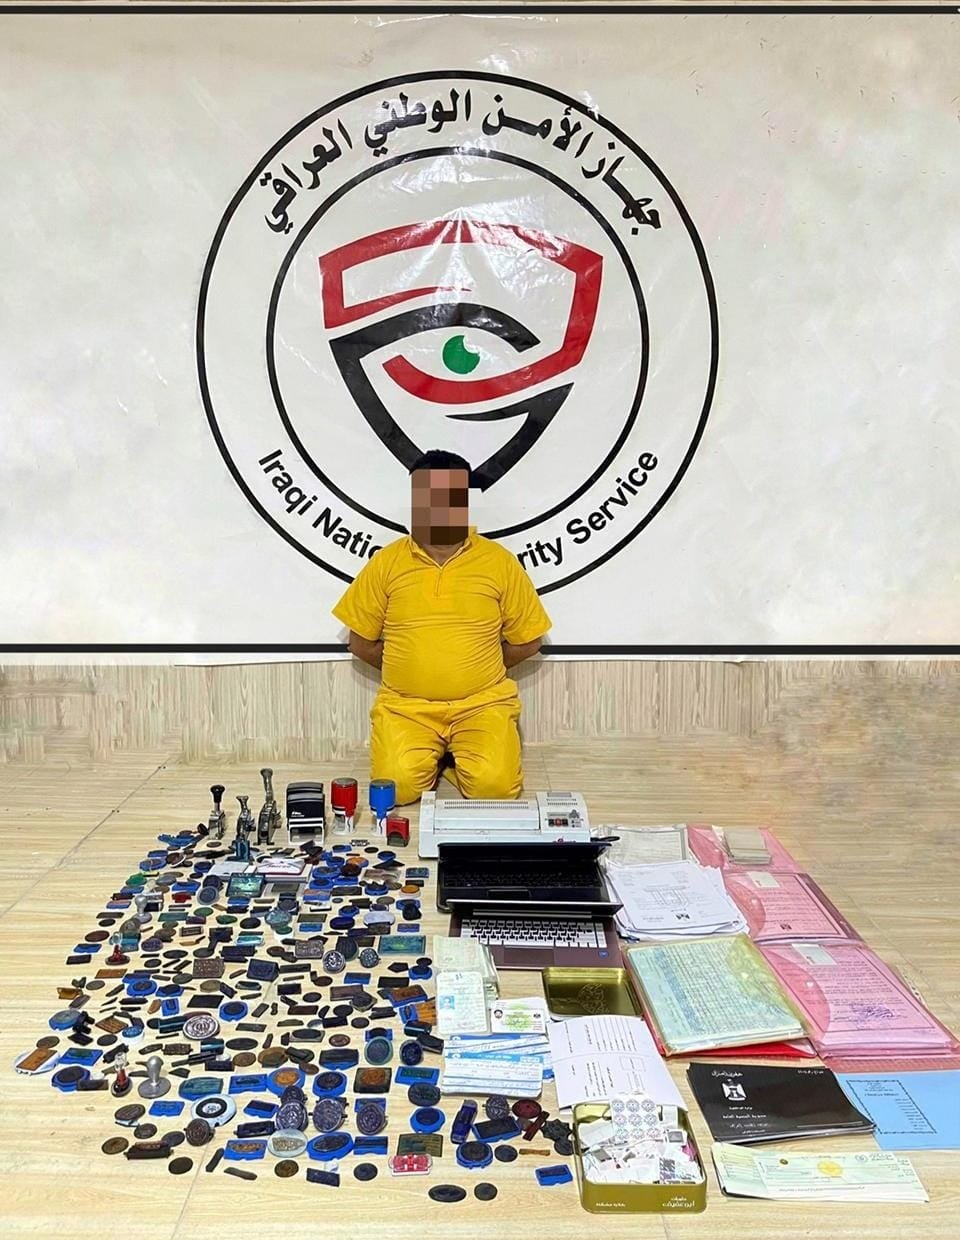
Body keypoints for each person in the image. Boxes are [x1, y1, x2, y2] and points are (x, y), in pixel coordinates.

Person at [332, 449, 551, 805]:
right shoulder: (386, 562)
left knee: (495, 791)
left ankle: (453, 758)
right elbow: (361, 643)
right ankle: (440, 758)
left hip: (482, 705)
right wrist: (410, 670)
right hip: (406, 708)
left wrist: (479, 668)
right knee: (396, 790)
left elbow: (529, 640)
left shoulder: (499, 562)